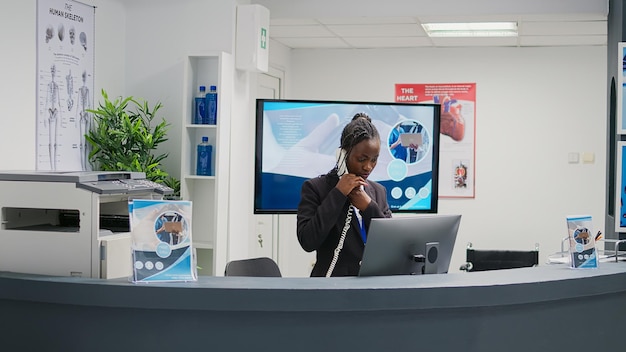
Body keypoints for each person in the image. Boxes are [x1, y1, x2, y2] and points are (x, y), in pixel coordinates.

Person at [297, 112, 392, 277]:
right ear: (343, 154)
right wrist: (338, 194)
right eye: (362, 159)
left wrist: (369, 207)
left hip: (372, 285)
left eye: (374, 159)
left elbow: (391, 242)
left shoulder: (378, 191)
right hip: (331, 286)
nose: (368, 167)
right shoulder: (315, 188)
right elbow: (308, 241)